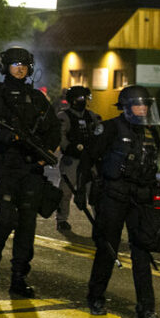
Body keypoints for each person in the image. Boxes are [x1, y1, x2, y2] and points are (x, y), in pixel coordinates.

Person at [0, 47, 60, 297]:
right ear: (5, 67)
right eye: (16, 64)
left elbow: (54, 130)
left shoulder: (38, 98)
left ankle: (19, 277)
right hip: (5, 167)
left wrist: (45, 155)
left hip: (30, 169)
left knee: (27, 225)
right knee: (6, 219)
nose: (20, 68)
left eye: (25, 64)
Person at [84, 85, 160, 318]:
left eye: (145, 105)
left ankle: (146, 306)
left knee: (142, 253)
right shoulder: (109, 128)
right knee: (108, 249)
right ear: (127, 107)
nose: (143, 109)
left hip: (141, 199)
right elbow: (89, 157)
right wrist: (82, 189)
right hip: (114, 197)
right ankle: (96, 297)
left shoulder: (150, 132)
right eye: (138, 105)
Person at [55, 86, 102, 233]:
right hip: (72, 159)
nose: (83, 101)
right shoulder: (64, 116)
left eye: (84, 98)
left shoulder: (91, 116)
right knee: (65, 191)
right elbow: (60, 135)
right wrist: (70, 147)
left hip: (89, 159)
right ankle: (62, 220)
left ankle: (100, 221)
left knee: (95, 191)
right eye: (81, 98)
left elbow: (100, 131)